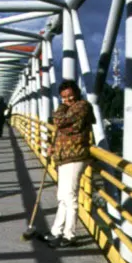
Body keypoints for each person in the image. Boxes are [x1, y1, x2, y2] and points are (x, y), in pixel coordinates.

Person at [44, 79, 94, 248]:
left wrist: (60, 110)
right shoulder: (68, 109)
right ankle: (56, 231)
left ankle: (70, 235)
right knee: (62, 197)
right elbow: (61, 130)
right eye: (64, 97)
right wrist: (53, 147)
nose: (68, 100)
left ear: (77, 93)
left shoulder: (82, 106)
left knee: (70, 197)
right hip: (64, 157)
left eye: (71, 96)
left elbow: (62, 124)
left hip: (76, 157)